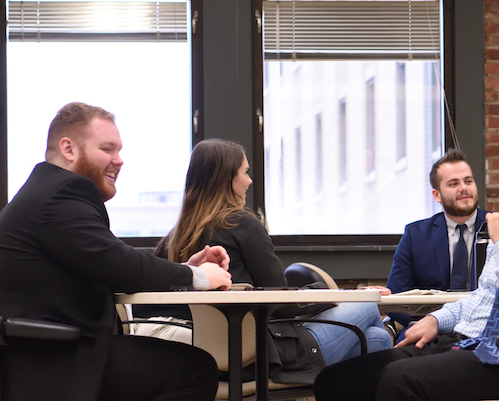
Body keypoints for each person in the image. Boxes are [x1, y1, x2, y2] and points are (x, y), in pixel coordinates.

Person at [0, 102, 232, 401]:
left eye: (119, 150)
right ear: (69, 149)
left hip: (31, 356)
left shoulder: (48, 192)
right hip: (41, 365)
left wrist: (186, 268)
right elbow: (121, 265)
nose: (119, 161)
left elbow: (111, 262)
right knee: (195, 369)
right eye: (107, 149)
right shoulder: (60, 196)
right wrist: (196, 276)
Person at [314, 133, 499, 401]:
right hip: (465, 343)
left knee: (400, 380)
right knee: (338, 380)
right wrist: (436, 320)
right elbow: (482, 300)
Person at [132, 138, 392, 384]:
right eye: (245, 172)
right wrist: (333, 294)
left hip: (205, 359)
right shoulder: (243, 224)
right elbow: (283, 305)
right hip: (261, 357)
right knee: (370, 307)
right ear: (227, 180)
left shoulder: (174, 239)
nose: (250, 180)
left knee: (376, 338)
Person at [385, 149, 489, 333]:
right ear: (436, 195)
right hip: (427, 329)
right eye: (453, 183)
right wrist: (431, 322)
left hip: (485, 328)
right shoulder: (415, 235)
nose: (464, 188)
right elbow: (396, 297)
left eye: (468, 181)